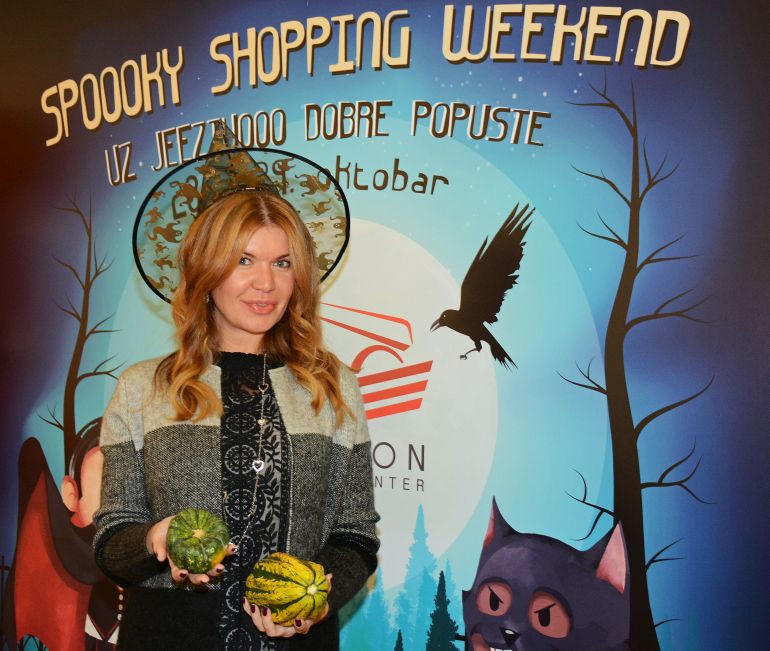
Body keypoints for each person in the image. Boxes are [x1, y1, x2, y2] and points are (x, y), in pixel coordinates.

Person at [93, 135, 379, 650]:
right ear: (205, 271)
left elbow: (355, 535)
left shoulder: (333, 386)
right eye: (243, 260)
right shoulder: (143, 388)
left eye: (282, 263)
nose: (265, 283)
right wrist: (154, 539)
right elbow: (112, 541)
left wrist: (314, 604)